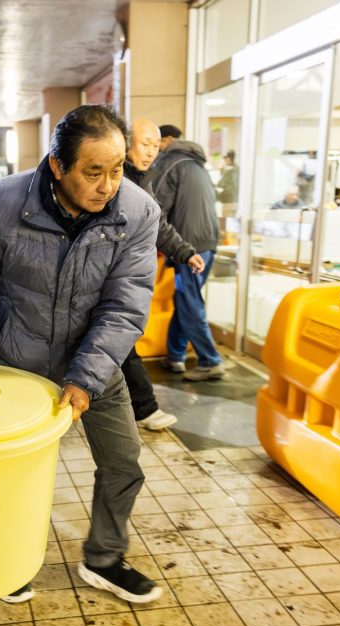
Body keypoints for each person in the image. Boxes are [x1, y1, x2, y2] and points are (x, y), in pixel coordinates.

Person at [0, 105, 164, 605]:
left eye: (118, 169)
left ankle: (104, 558)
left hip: (95, 366)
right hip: (15, 365)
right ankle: (10, 558)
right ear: (58, 166)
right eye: (93, 171)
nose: (108, 184)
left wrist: (85, 377)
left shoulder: (139, 212)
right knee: (6, 469)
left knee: (124, 462)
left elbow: (124, 305)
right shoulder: (2, 201)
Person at [122, 118, 204, 431]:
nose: (151, 152)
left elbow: (157, 223)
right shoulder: (114, 178)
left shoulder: (144, 179)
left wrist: (185, 252)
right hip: (104, 278)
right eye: (145, 144)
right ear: (127, 142)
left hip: (122, 277)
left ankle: (140, 407)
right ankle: (145, 408)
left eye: (156, 146)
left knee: (116, 343)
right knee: (118, 341)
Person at [150, 136, 225, 381]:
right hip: (209, 242)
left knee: (189, 302)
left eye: (155, 143)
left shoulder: (170, 162)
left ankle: (210, 360)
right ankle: (175, 355)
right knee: (185, 299)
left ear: (167, 140)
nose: (153, 149)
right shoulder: (197, 165)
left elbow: (156, 207)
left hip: (189, 246)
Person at [214, 150, 238, 215]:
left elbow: (221, 184)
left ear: (229, 159)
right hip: (235, 200)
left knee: (226, 221)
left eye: (225, 159)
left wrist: (221, 170)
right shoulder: (237, 168)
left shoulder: (229, 170)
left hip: (228, 201)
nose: (224, 161)